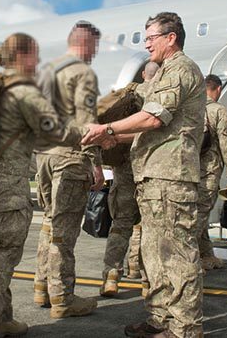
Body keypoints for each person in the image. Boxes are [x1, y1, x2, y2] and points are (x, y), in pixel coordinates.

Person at [83, 12, 206, 338]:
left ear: (171, 38)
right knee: (153, 255)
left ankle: (184, 329)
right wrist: (112, 137)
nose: (146, 42)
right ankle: (158, 320)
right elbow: (150, 130)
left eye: (151, 36)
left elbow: (153, 119)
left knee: (176, 256)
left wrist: (106, 127)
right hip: (153, 178)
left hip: (171, 178)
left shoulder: (180, 68)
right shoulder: (164, 72)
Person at [0, 33, 89, 338]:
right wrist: (92, 131)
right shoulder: (22, 90)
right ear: (22, 55)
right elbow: (55, 129)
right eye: (35, 54)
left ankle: (2, 319)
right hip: (7, 189)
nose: (38, 61)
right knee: (4, 258)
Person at [34, 20, 103, 318]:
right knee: (64, 234)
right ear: (85, 43)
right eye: (95, 47)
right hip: (69, 158)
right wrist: (96, 163)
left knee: (49, 224)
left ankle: (42, 289)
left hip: (43, 158)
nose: (95, 53)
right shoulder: (82, 72)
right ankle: (63, 299)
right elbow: (87, 122)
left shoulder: (46, 72)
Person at [101, 61, 159, 296]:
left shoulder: (129, 94)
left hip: (124, 168)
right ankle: (148, 282)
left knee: (121, 223)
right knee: (149, 227)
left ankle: (111, 276)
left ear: (144, 74)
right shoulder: (159, 97)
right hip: (150, 168)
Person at [197, 74, 227, 271]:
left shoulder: (192, 108)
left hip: (187, 171)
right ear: (218, 89)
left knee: (198, 215)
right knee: (199, 216)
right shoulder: (218, 111)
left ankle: (207, 255)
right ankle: (189, 262)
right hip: (209, 172)